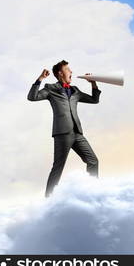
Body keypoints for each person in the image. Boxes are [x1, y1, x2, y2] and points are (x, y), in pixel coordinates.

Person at [27, 60, 102, 197]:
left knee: (93, 161)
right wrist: (40, 79)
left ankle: (93, 191)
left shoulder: (75, 91)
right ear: (60, 73)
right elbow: (32, 97)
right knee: (58, 168)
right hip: (62, 133)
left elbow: (94, 100)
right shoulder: (51, 88)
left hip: (77, 133)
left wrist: (93, 84)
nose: (71, 71)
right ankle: (48, 198)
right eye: (68, 69)